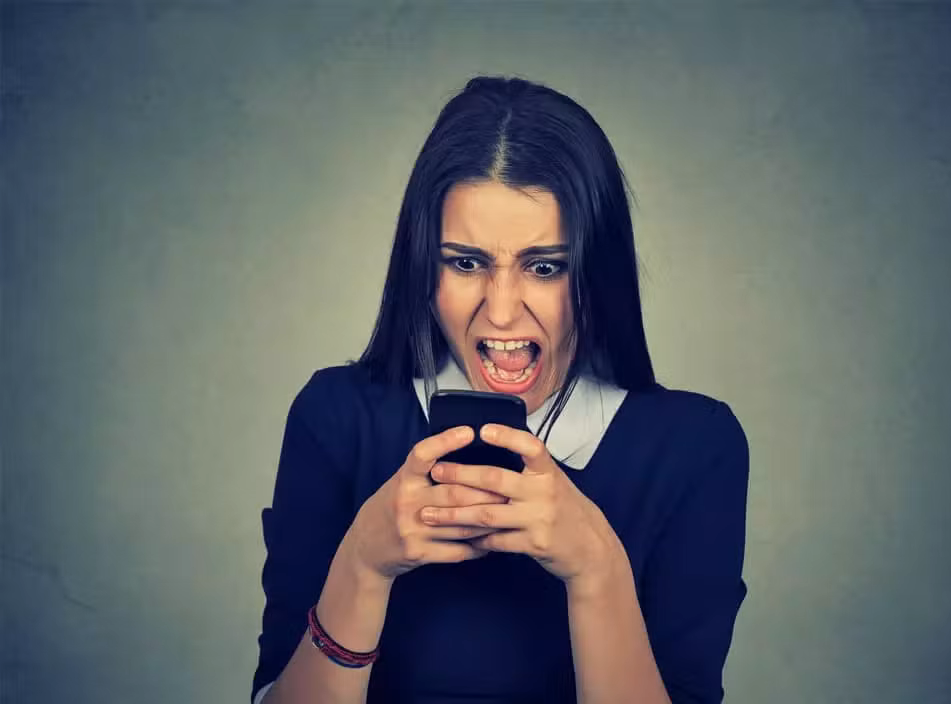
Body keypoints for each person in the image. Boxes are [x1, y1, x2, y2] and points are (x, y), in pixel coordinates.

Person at [252, 75, 749, 704]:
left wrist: (597, 569)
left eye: (545, 267)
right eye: (466, 263)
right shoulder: (336, 417)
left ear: (595, 273)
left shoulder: (695, 448)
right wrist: (363, 565)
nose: (503, 311)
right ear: (423, 268)